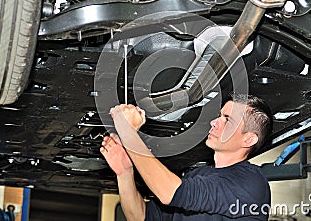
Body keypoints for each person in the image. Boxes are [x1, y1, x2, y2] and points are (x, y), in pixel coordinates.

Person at [100, 94, 273, 220]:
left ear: (249, 139)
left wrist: (128, 131)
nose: (214, 122)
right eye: (219, 116)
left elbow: (172, 193)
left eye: (227, 120)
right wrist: (124, 173)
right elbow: (141, 216)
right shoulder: (199, 176)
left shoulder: (251, 182)